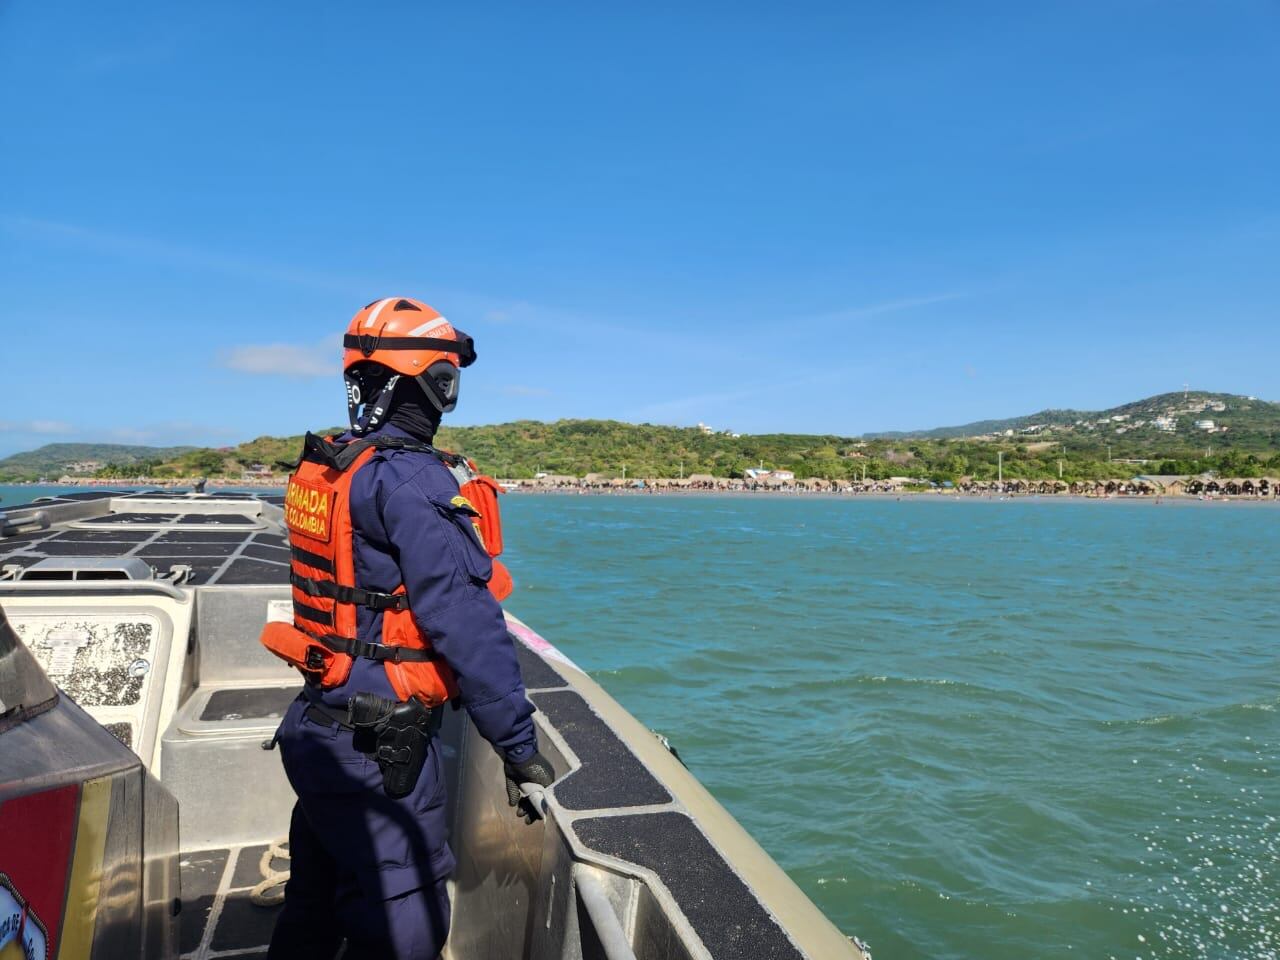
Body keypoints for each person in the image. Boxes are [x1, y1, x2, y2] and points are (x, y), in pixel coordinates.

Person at [263, 297, 555, 960]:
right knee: (406, 917)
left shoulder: (336, 465)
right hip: (377, 751)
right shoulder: (413, 482)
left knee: (314, 898)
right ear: (433, 383)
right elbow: (467, 626)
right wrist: (517, 748)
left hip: (316, 728)